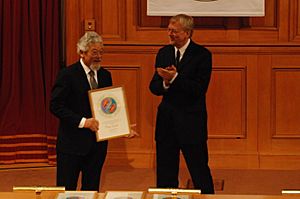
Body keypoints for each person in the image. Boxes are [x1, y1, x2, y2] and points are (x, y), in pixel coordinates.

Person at [50, 31, 136, 191]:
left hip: (97, 146)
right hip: (71, 144)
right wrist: (84, 122)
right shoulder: (67, 75)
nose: (99, 56)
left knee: (91, 189)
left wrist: (122, 127)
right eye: (94, 52)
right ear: (82, 52)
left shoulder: (105, 75)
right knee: (66, 190)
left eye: (101, 52)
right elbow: (55, 106)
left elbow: (108, 108)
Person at [149, 14, 214, 194]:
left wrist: (175, 78)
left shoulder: (202, 55)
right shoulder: (164, 53)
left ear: (187, 33)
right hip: (167, 123)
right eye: (169, 30)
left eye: (174, 31)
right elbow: (154, 87)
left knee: (199, 170)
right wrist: (165, 83)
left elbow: (199, 89)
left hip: (191, 123)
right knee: (165, 173)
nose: (170, 34)